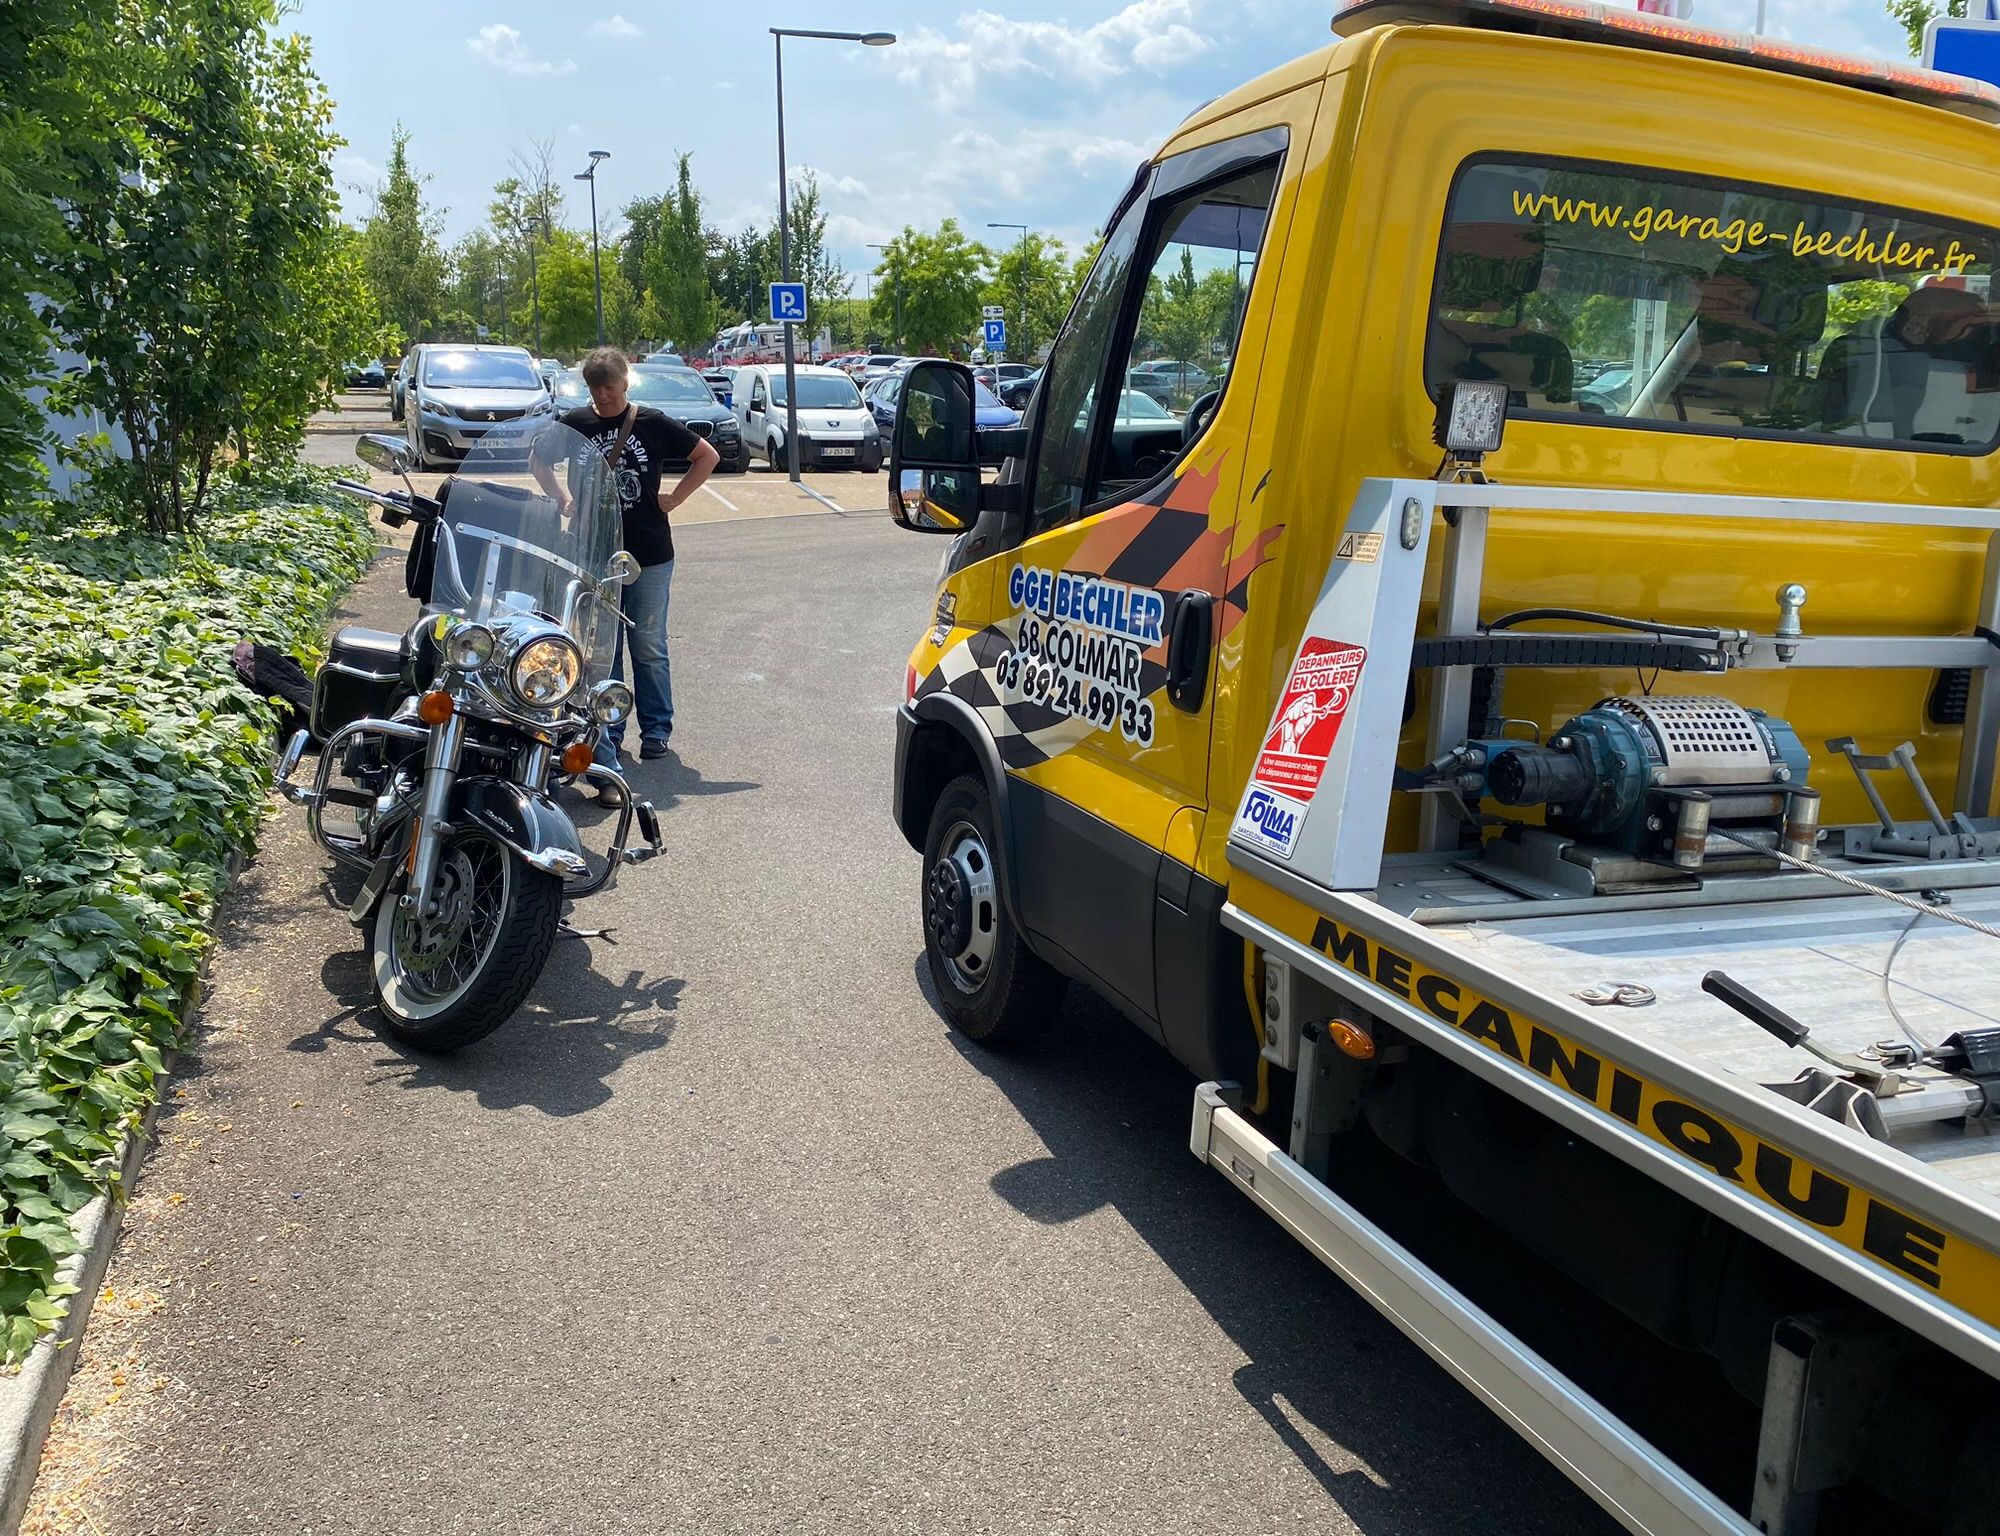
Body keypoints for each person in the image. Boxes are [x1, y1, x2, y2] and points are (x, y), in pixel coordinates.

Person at [546, 346, 718, 782]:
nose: (602, 396)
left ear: (625, 383)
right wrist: (562, 497)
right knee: (604, 651)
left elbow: (707, 456)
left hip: (650, 553)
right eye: (595, 388)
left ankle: (656, 731)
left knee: (649, 645)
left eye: (609, 387)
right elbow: (538, 458)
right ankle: (611, 729)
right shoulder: (576, 424)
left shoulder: (652, 423)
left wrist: (675, 498)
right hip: (593, 552)